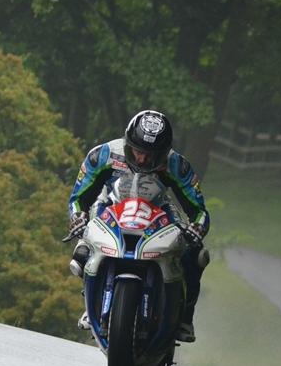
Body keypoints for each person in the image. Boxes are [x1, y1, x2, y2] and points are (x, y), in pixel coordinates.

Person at [66, 109, 210, 343]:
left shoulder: (177, 165)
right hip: (111, 205)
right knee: (83, 246)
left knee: (195, 254)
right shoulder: (103, 155)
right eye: (137, 151)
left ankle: (184, 318)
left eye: (150, 155)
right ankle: (91, 301)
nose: (142, 159)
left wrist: (196, 229)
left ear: (163, 152)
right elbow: (77, 198)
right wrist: (78, 217)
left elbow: (200, 211)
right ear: (127, 142)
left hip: (159, 211)